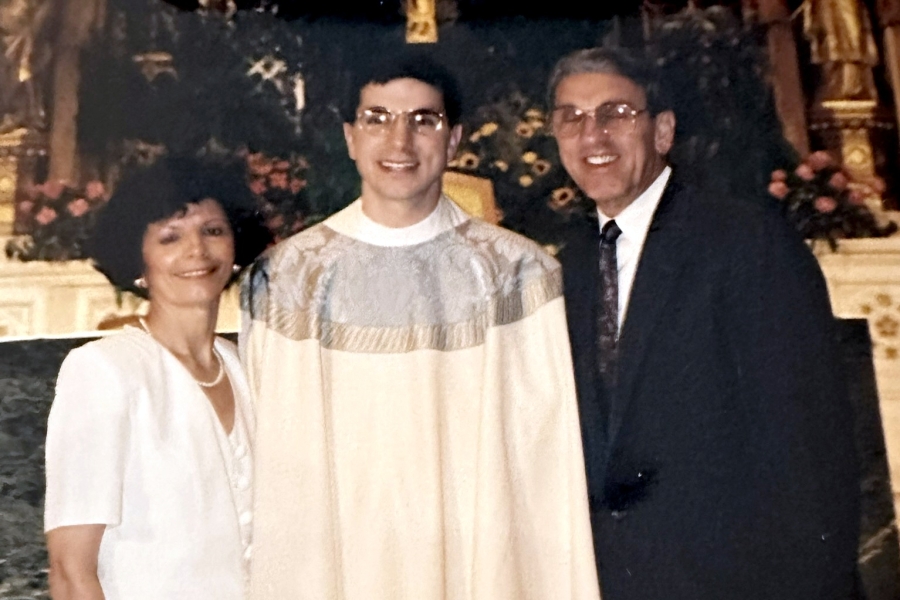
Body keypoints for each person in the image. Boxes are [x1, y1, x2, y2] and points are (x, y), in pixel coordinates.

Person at [241, 54, 600, 600]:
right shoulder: (290, 278)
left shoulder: (517, 275)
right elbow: (275, 468)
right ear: (350, 137)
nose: (400, 142)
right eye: (378, 119)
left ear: (454, 140)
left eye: (423, 120)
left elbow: (545, 469)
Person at [549, 47, 860, 600]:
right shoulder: (570, 265)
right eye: (571, 117)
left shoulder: (745, 243)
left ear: (663, 131)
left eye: (616, 113)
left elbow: (810, 450)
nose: (591, 135)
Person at [44, 157, 271, 600]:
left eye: (213, 230)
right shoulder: (105, 370)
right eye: (171, 236)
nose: (197, 251)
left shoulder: (250, 369)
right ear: (138, 263)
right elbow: (71, 570)